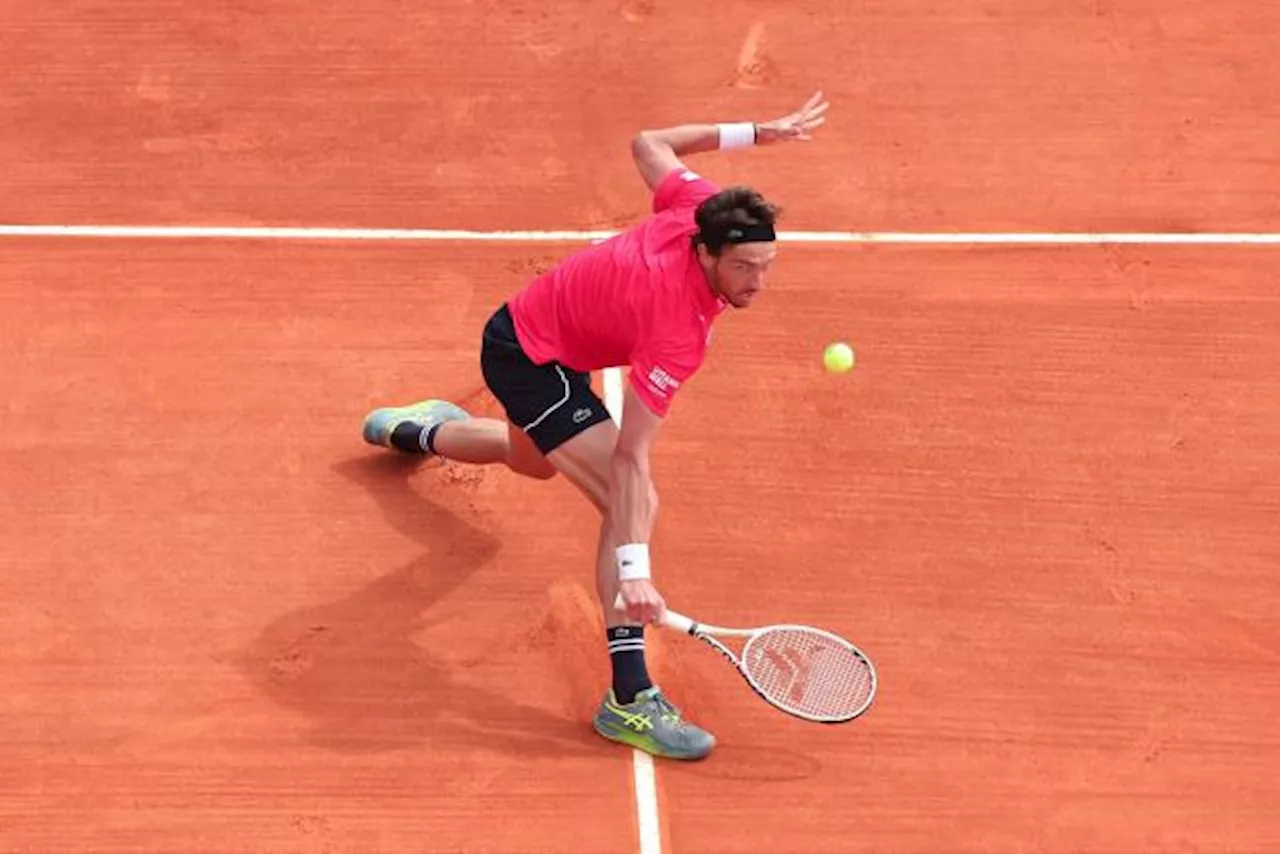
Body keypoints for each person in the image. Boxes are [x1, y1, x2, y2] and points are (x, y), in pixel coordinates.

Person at [361, 92, 830, 760]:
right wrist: (634, 569)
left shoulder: (697, 207)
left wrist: (755, 131)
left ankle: (425, 430)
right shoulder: (675, 329)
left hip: (556, 337)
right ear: (704, 255)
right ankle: (629, 700)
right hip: (527, 355)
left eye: (766, 266)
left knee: (533, 459)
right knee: (624, 497)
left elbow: (649, 143)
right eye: (743, 268)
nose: (757, 283)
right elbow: (631, 460)